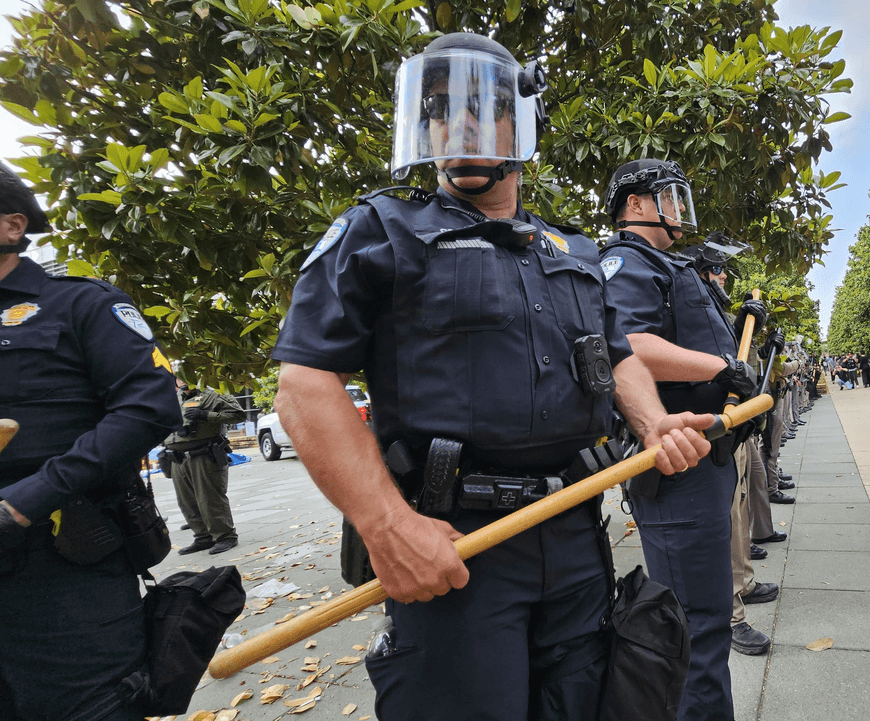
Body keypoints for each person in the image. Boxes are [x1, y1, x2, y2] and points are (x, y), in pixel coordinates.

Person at [270, 36, 715, 721]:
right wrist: (386, 524)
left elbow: (620, 353)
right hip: (455, 550)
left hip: (575, 536)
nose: (459, 124)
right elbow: (304, 382)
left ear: (523, 123)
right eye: (440, 110)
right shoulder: (380, 229)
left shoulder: (573, 249)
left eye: (482, 106)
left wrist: (654, 421)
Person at [0, 163, 183, 719]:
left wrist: (22, 503)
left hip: (60, 568)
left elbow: (150, 407)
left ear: (12, 226)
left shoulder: (81, 304)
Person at [598, 158, 761, 720]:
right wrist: (719, 367)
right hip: (677, 467)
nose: (681, 212)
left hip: (706, 457)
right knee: (695, 627)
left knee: (707, 618)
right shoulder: (627, 261)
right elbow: (624, 344)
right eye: (670, 197)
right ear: (637, 205)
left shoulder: (666, 263)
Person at [681, 241, 780, 658]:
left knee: (740, 517)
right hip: (705, 431)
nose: (724, 277)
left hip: (733, 431)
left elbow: (737, 361)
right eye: (717, 271)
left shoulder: (712, 312)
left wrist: (742, 327)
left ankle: (744, 583)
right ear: (701, 272)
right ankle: (730, 617)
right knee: (722, 524)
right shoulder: (685, 307)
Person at [162, 379, 247, 554]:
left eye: (186, 374)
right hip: (177, 458)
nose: (182, 379)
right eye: (178, 375)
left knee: (210, 498)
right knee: (186, 502)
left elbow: (239, 415)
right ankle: (203, 537)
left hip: (204, 454)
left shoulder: (215, 392)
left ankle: (226, 536)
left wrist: (205, 415)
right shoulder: (172, 397)